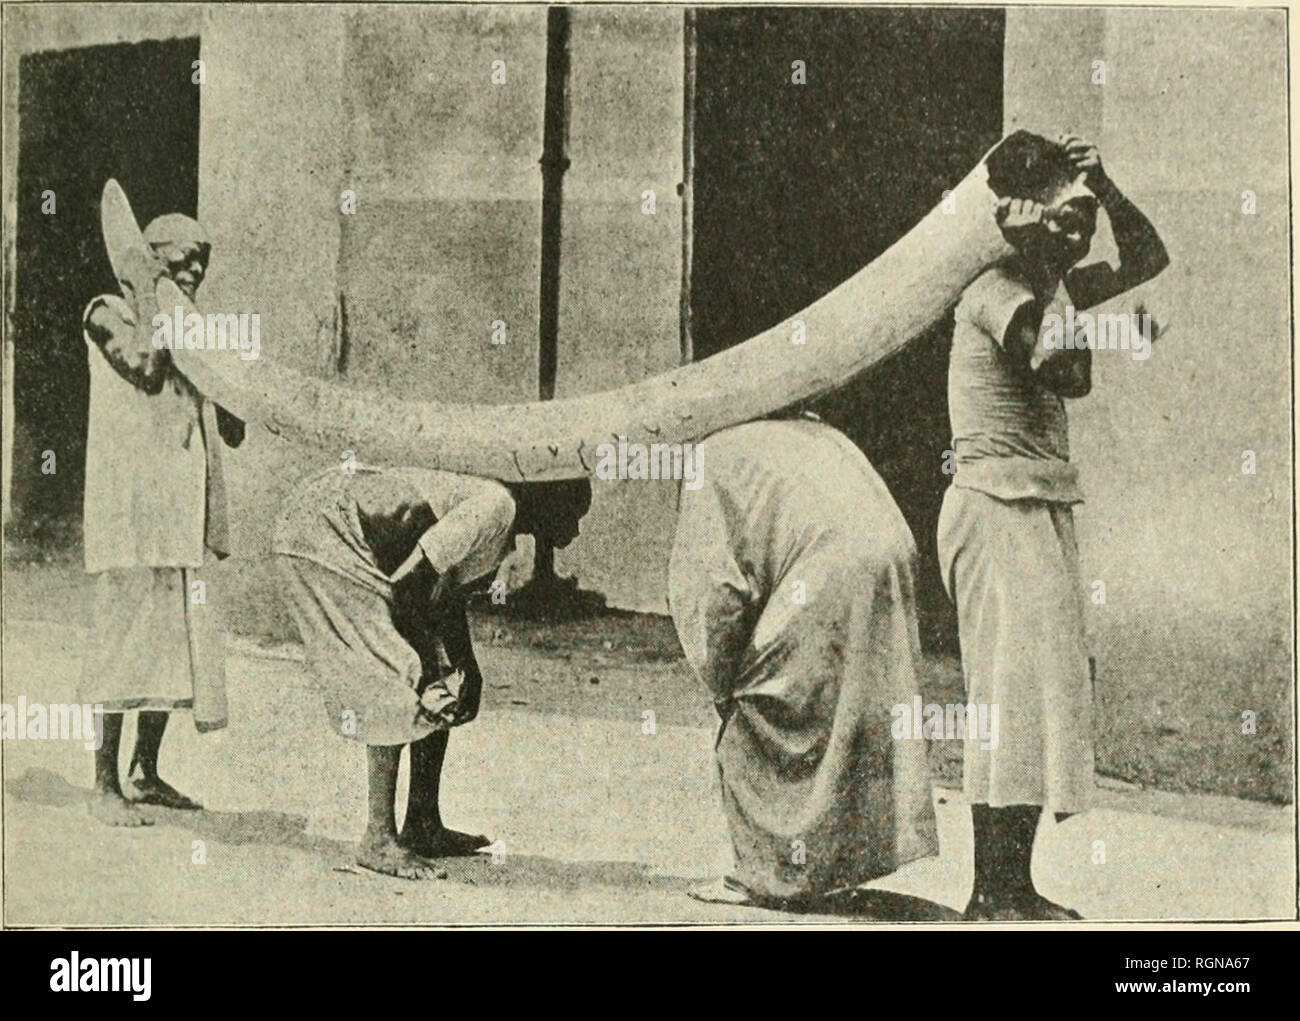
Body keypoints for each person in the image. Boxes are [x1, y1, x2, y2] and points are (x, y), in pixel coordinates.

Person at [940, 132, 1169, 919]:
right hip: (994, 505)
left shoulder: (1049, 281)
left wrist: (1102, 185)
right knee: (1007, 695)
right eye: (1063, 221)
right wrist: (1056, 273)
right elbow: (1065, 372)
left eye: (1080, 222)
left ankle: (1015, 884)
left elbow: (1148, 258)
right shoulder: (997, 289)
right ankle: (988, 891)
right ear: (1021, 218)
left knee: (1043, 695)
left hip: (1035, 503)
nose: (1079, 238)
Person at [668, 415, 938, 911]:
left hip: (830, 567)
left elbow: (712, 592)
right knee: (856, 708)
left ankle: (768, 878)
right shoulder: (814, 429)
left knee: (761, 711)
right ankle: (837, 864)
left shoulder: (709, 454)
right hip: (890, 554)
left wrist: (722, 684)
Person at [273, 464, 590, 879]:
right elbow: (410, 584)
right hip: (323, 528)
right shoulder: (495, 505)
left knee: (443, 682)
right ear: (549, 501)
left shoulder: (499, 524)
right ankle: (378, 839)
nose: (574, 532)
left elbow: (443, 592)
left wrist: (465, 668)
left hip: (334, 525)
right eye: (572, 515)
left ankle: (423, 822)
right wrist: (427, 670)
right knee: (395, 673)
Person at [82, 213, 245, 826]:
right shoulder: (107, 313)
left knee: (174, 645)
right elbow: (148, 372)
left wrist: (224, 368)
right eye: (184, 259)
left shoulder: (187, 327)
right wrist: (159, 305)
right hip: (131, 510)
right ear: (147, 261)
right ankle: (104, 784)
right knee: (122, 642)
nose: (197, 270)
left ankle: (145, 771)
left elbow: (234, 426)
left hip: (183, 509)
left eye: (203, 259)